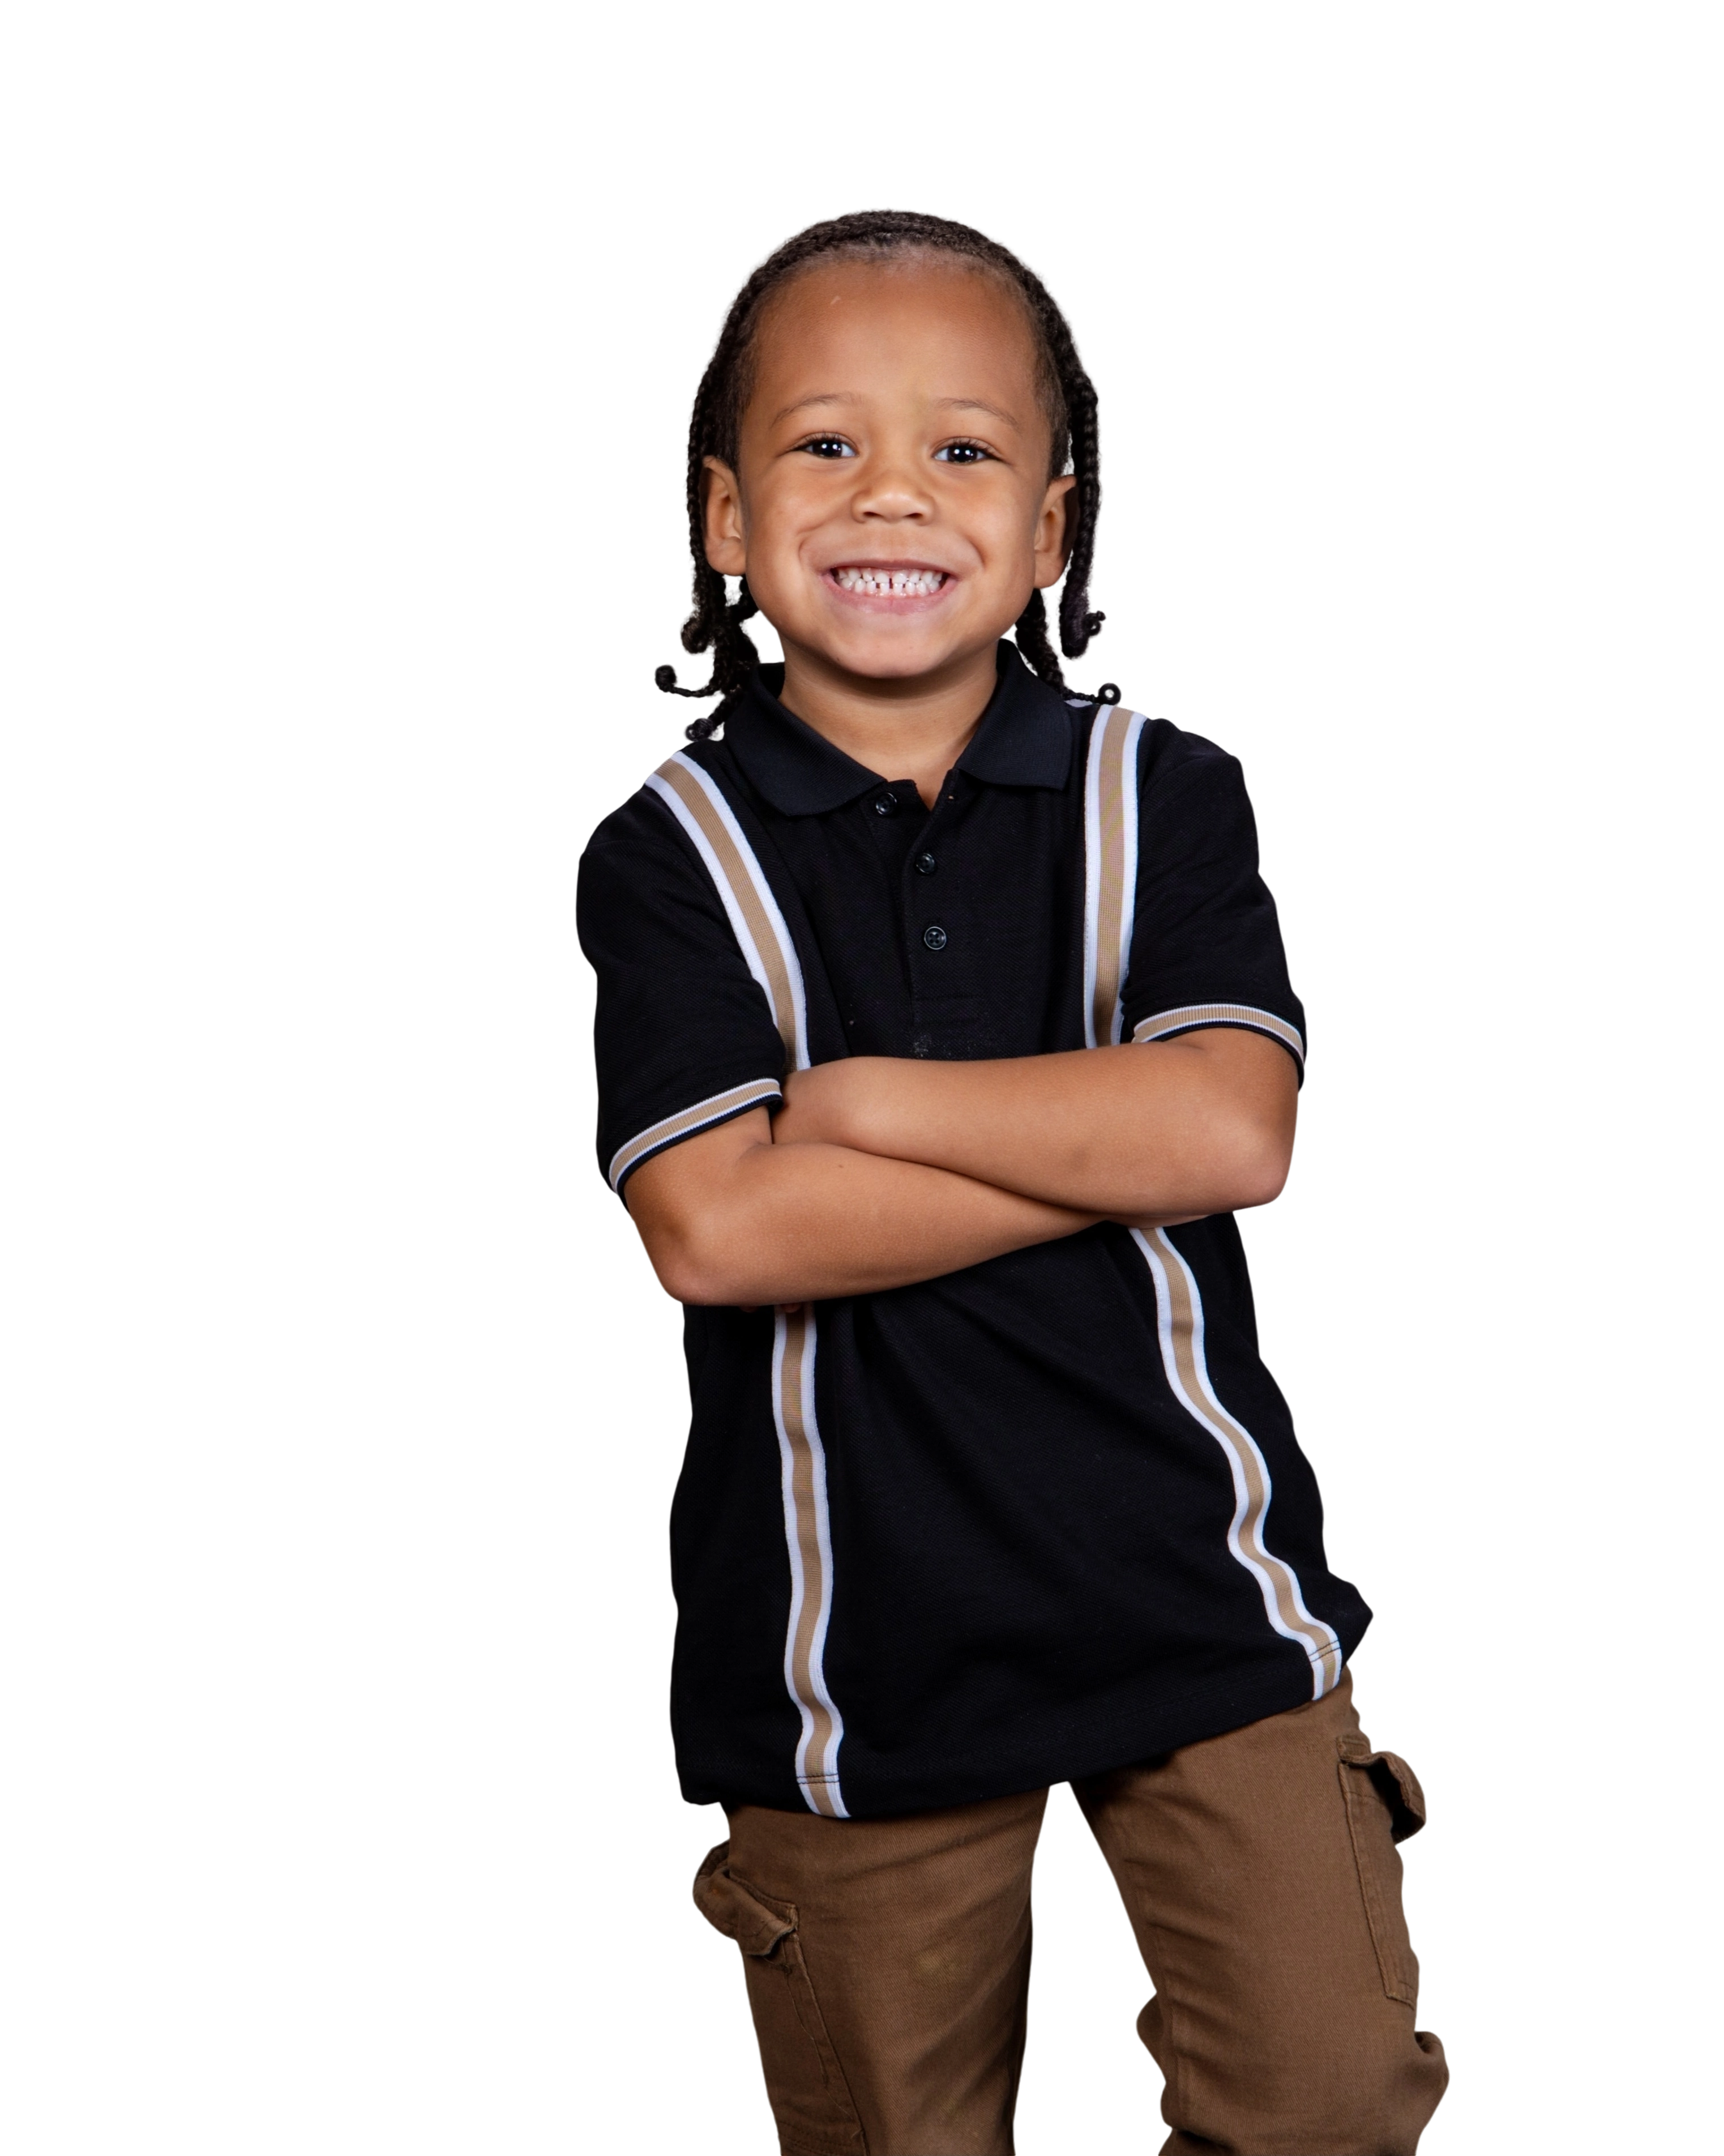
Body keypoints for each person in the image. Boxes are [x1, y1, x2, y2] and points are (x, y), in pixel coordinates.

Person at [573, 206, 1451, 2156]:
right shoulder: (666, 854)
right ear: (725, 516)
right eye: (825, 443)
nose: (891, 491)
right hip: (844, 1650)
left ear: (1051, 531)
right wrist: (1108, 1133)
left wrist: (861, 1100)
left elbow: (1233, 1134)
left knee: (1326, 2095)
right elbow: (717, 1226)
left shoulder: (1167, 793)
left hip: (1200, 1596)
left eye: (960, 447)